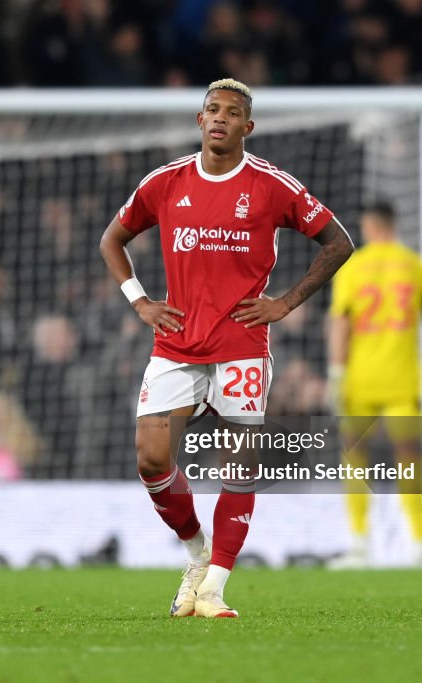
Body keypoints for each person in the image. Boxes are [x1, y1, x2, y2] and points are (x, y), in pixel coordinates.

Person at [99, 78, 353, 618]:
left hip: (241, 345)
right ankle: (197, 551)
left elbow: (339, 242)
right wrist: (140, 301)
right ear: (200, 120)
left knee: (238, 465)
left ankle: (214, 586)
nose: (220, 118)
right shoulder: (165, 182)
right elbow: (112, 239)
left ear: (247, 126)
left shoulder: (271, 185)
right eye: (212, 109)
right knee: (151, 458)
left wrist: (286, 302)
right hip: (176, 344)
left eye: (232, 112)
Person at [326, 202, 422, 568]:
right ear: (394, 224)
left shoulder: (353, 267)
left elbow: (341, 325)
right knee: (409, 458)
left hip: (359, 380)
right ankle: (420, 543)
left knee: (354, 459)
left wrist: (336, 373)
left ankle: (359, 545)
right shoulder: (414, 266)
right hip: (402, 381)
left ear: (369, 226)